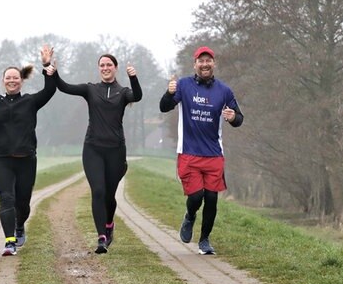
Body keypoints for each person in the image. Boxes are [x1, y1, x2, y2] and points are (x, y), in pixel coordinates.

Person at [51, 52, 142, 254]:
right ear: (98, 68)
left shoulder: (123, 92)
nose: (105, 68)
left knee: (109, 196)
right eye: (102, 65)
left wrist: (134, 77)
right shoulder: (90, 89)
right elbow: (65, 87)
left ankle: (109, 225)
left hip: (116, 151)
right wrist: (54, 74)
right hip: (93, 148)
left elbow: (137, 96)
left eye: (109, 64)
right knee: (98, 191)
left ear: (115, 68)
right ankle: (101, 237)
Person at [0, 44, 57, 256]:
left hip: (26, 159)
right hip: (1, 159)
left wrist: (46, 65)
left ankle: (20, 226)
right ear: (3, 81)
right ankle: (10, 241)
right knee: (6, 198)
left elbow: (50, 89)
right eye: (8, 78)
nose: (12, 80)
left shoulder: (30, 101)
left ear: (21, 80)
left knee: (23, 204)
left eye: (15, 78)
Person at [159, 46, 244, 255]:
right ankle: (189, 216)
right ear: (194, 64)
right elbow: (164, 107)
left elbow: (238, 119)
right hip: (188, 152)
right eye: (201, 61)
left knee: (212, 199)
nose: (205, 64)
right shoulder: (184, 85)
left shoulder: (224, 91)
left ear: (214, 64)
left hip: (214, 154)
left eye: (209, 61)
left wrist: (233, 117)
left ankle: (204, 240)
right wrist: (169, 93)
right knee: (196, 197)